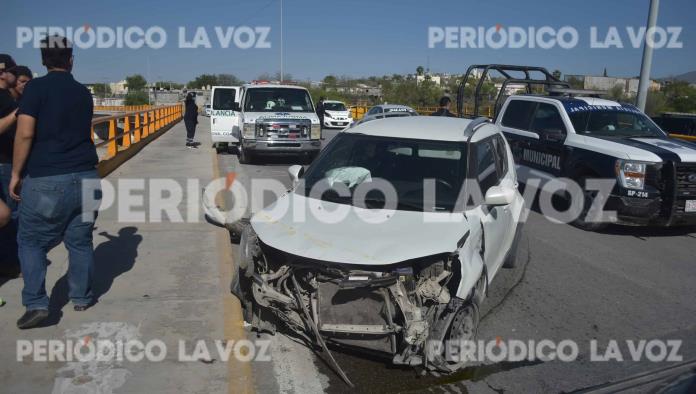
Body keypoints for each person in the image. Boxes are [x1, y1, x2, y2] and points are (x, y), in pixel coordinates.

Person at [10, 35, 101, 329]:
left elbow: (24, 134)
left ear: (43, 60)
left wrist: (15, 174)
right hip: (88, 178)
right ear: (71, 59)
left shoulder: (35, 89)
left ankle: (36, 303)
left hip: (49, 179)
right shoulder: (83, 93)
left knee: (31, 241)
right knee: (81, 240)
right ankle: (82, 297)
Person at [0, 54, 20, 276]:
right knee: (9, 216)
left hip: (9, 162)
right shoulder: (3, 99)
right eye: (15, 72)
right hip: (4, 164)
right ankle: (10, 262)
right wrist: (18, 111)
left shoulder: (7, 97)